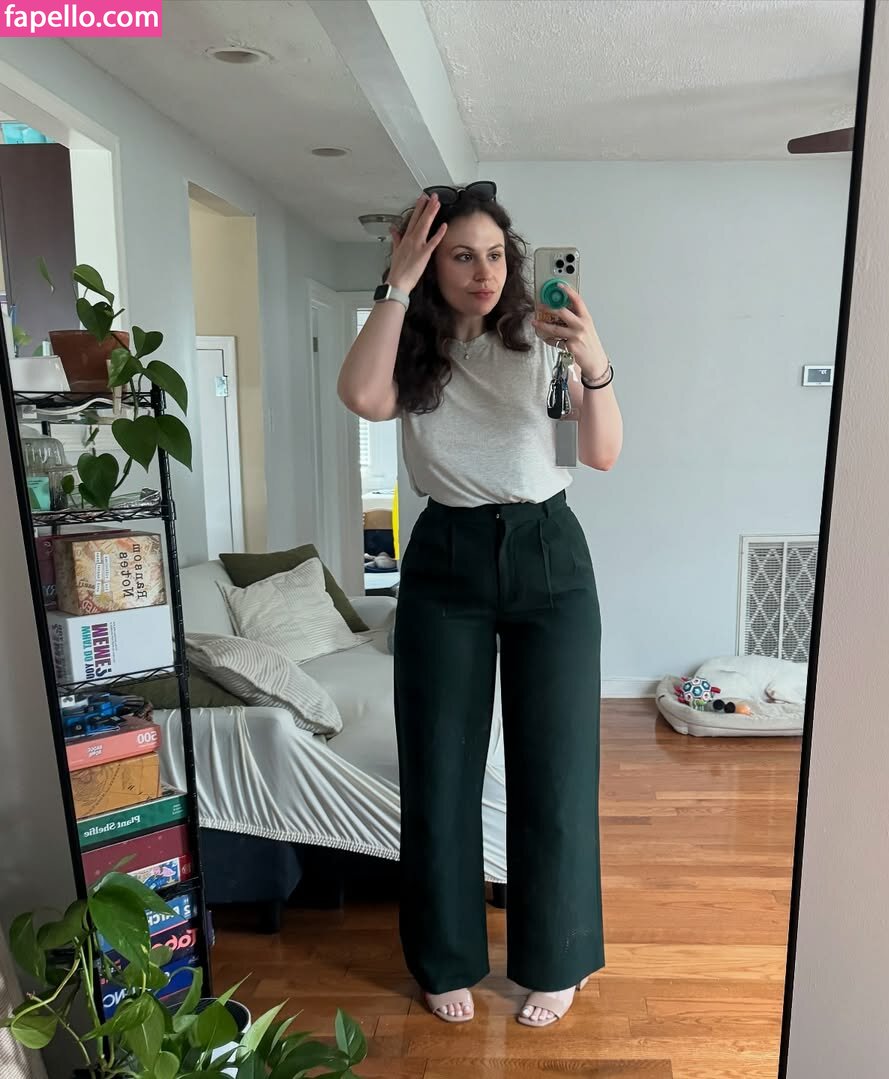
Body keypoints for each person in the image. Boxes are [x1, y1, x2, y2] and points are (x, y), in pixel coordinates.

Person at [337, 181, 623, 1028]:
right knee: (439, 766)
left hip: (549, 553)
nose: (483, 272)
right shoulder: (411, 349)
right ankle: (444, 954)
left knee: (556, 769)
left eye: (495, 255)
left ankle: (557, 957)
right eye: (462, 255)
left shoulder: (543, 340)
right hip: (448, 556)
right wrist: (395, 284)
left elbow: (601, 453)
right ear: (431, 263)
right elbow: (363, 397)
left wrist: (595, 359)